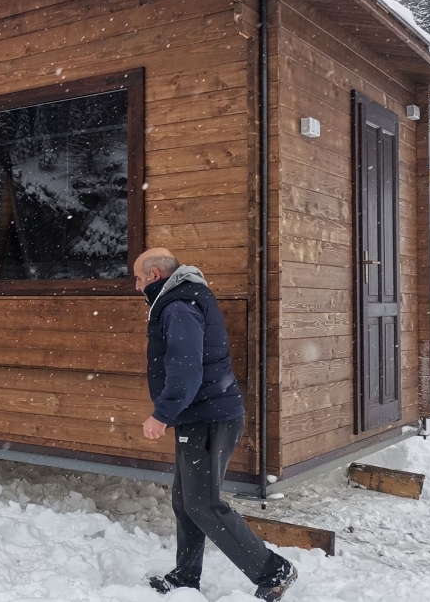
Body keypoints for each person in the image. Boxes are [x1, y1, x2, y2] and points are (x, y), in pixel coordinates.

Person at [135, 248, 297, 601]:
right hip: (200, 417)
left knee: (203, 504)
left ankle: (274, 571)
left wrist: (162, 413)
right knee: (186, 501)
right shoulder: (184, 298)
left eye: (137, 278)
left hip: (209, 419)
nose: (136, 287)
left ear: (154, 275)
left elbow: (186, 367)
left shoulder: (179, 306)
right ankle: (185, 577)